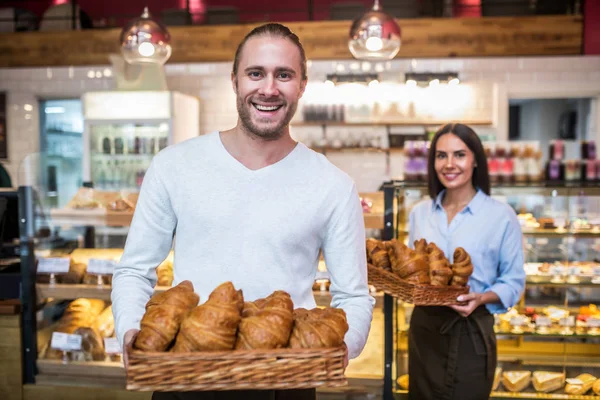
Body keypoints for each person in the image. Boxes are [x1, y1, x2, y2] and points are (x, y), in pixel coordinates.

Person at [111, 23, 375, 400]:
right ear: (234, 80)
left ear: (302, 85)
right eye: (256, 73)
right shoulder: (175, 166)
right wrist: (131, 331)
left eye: (283, 75)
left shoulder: (333, 185)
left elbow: (353, 296)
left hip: (287, 381)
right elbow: (134, 270)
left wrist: (335, 351)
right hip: (187, 374)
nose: (268, 89)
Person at [407, 123, 526, 400]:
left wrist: (482, 298)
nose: (449, 164)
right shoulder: (419, 214)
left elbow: (513, 280)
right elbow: (415, 274)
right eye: (441, 155)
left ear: (475, 161)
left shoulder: (500, 215)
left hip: (472, 331)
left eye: (459, 155)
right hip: (425, 332)